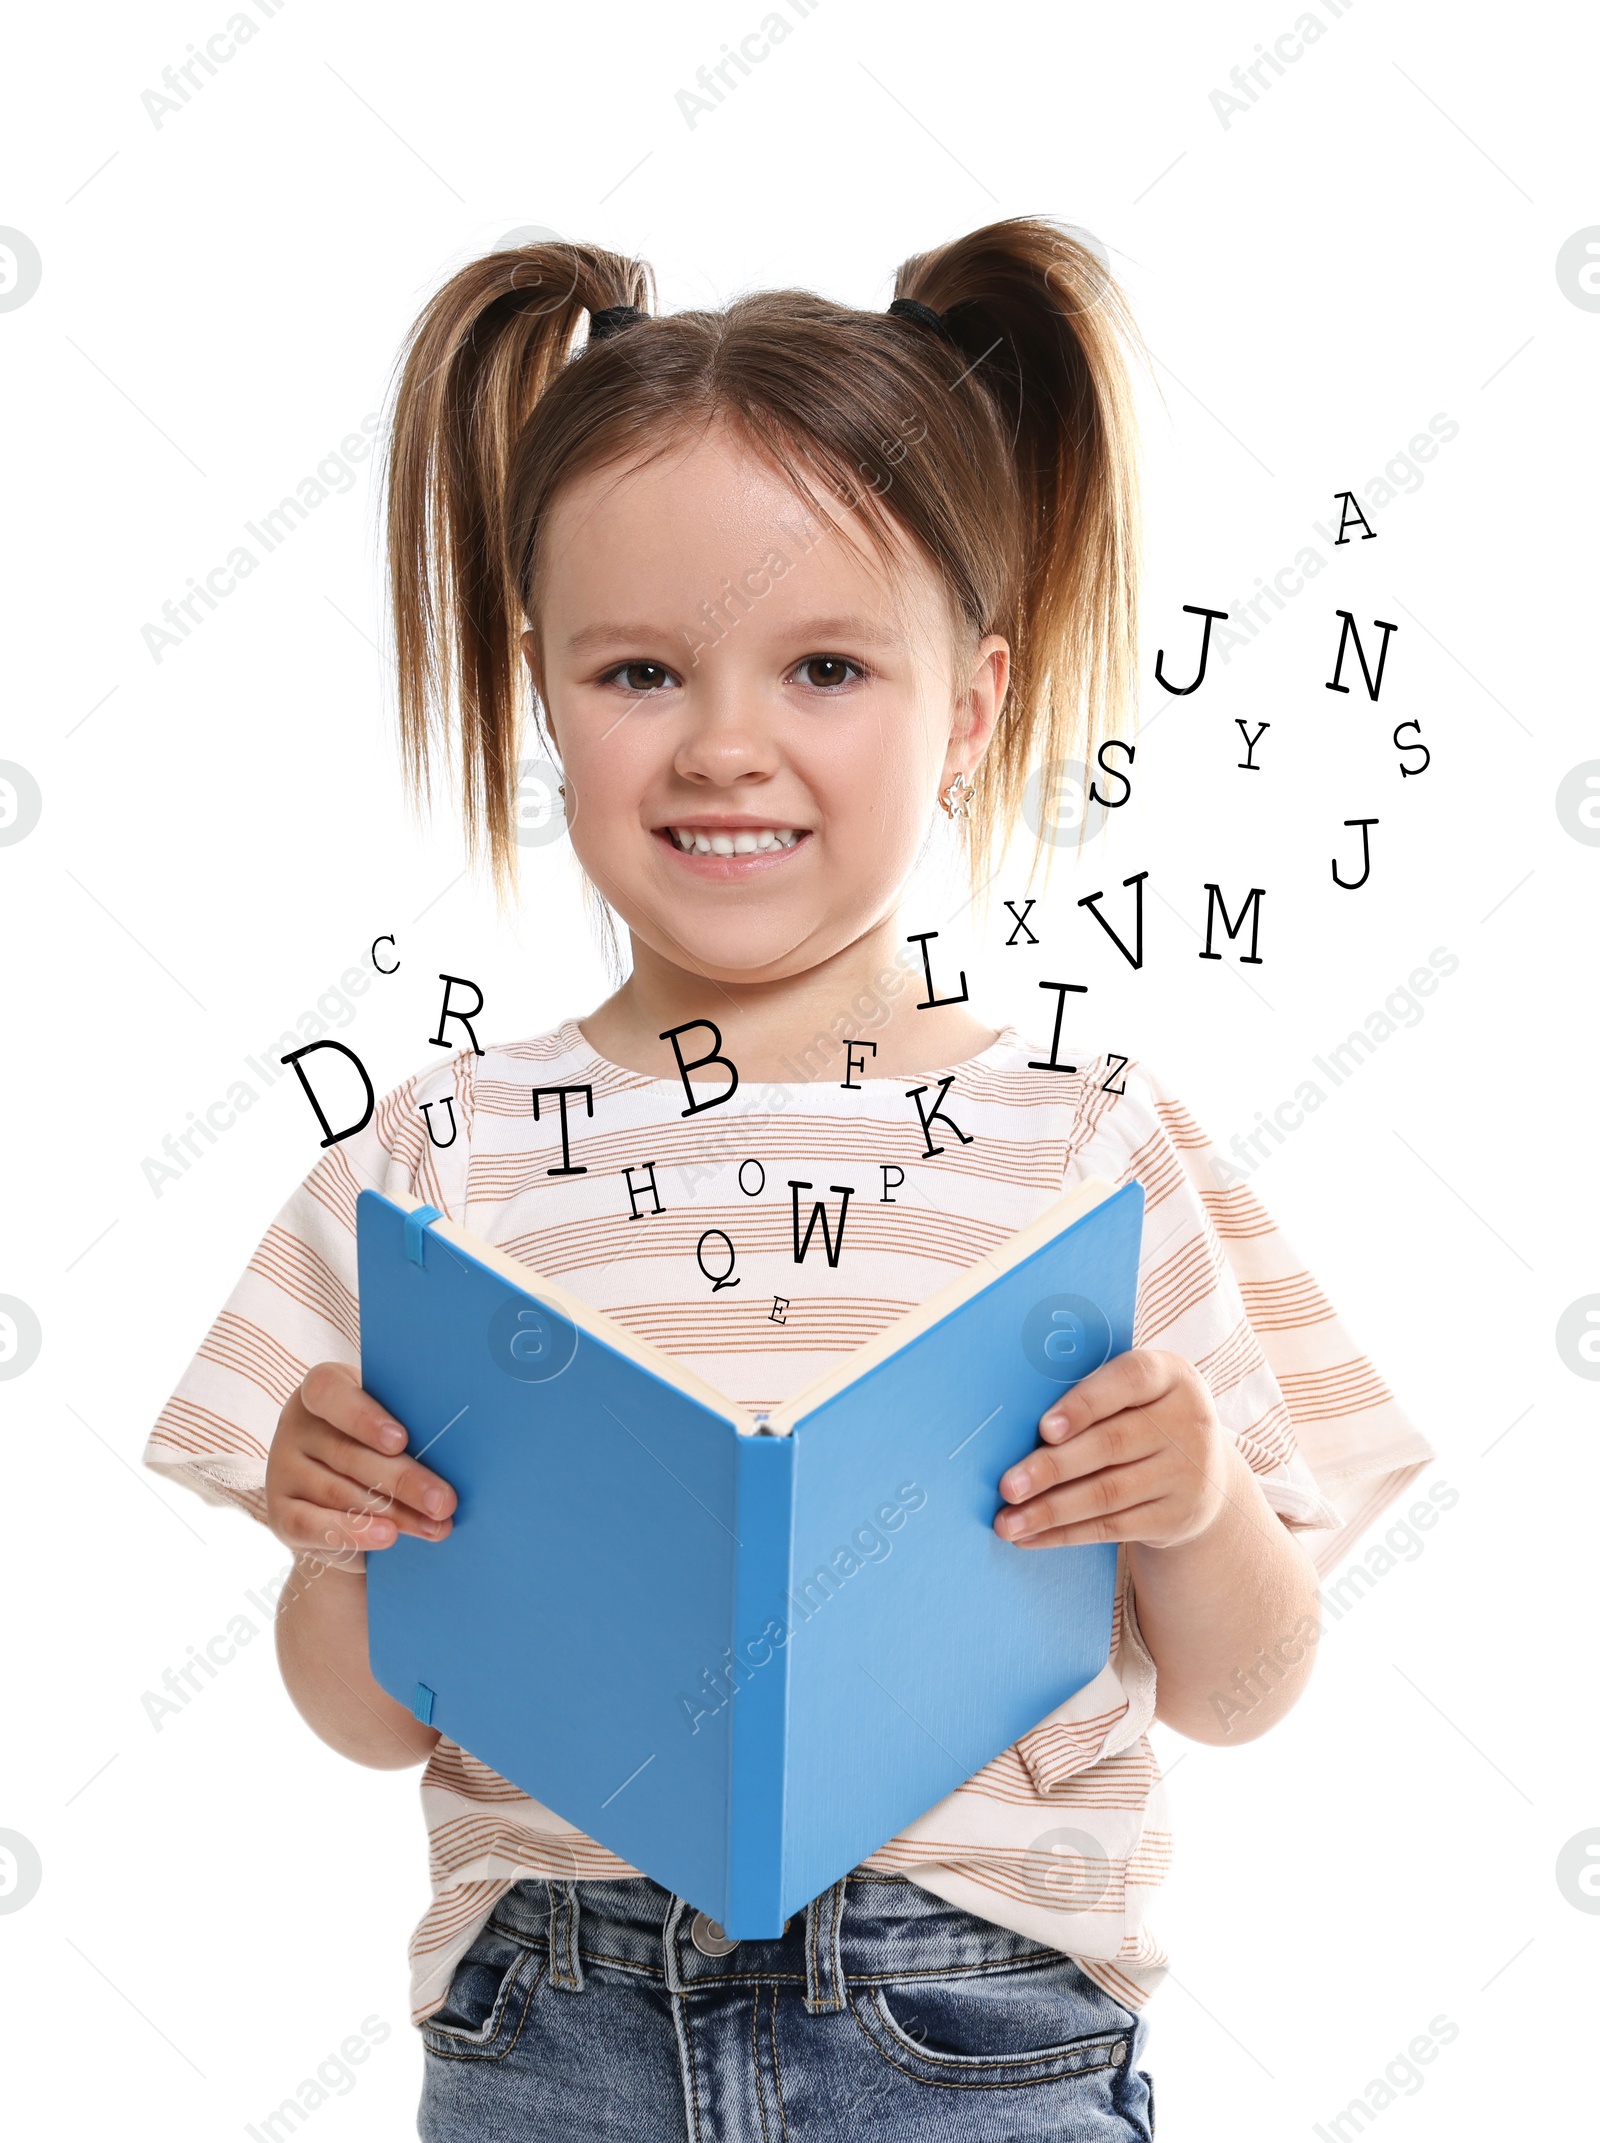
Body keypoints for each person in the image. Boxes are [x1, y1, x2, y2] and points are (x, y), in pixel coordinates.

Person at [143, 217, 1435, 2140]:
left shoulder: (1083, 1146)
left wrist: (1198, 1491)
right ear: (541, 696)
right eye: (640, 671)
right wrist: (349, 1540)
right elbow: (365, 1721)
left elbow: (1245, 1684)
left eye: (827, 666)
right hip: (552, 2032)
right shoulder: (437, 1162)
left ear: (974, 705)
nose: (726, 747)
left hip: (969, 2034)